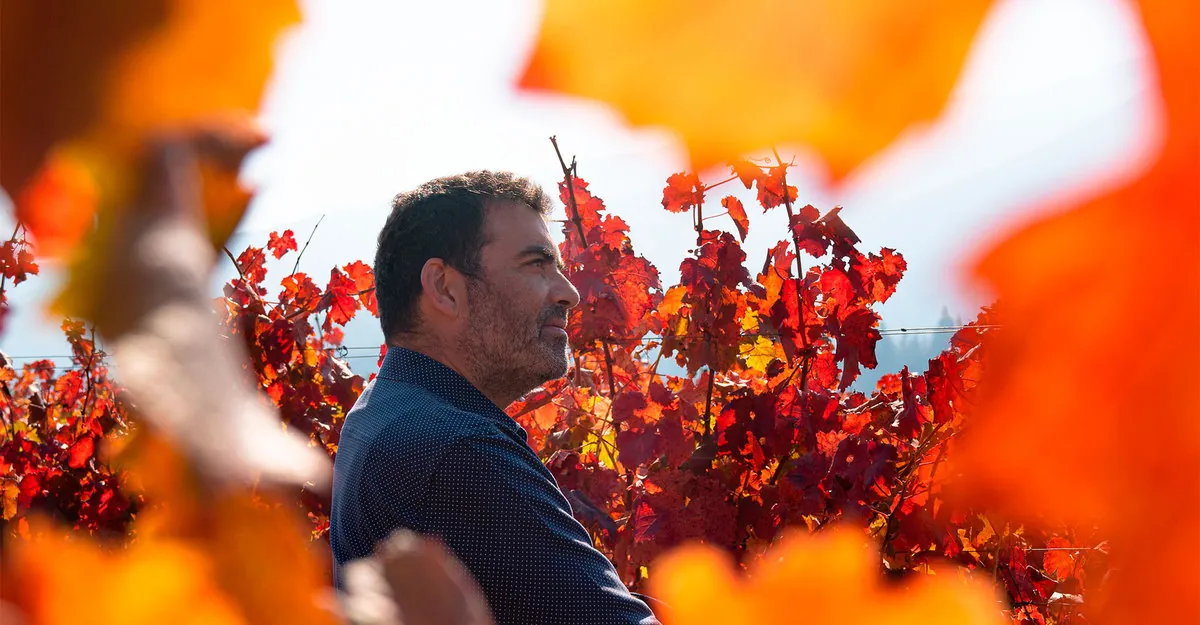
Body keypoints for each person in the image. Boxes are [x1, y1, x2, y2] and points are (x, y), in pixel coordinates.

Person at [330, 171, 660, 625]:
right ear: (445, 288)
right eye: (536, 264)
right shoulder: (457, 449)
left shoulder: (386, 405)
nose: (569, 292)